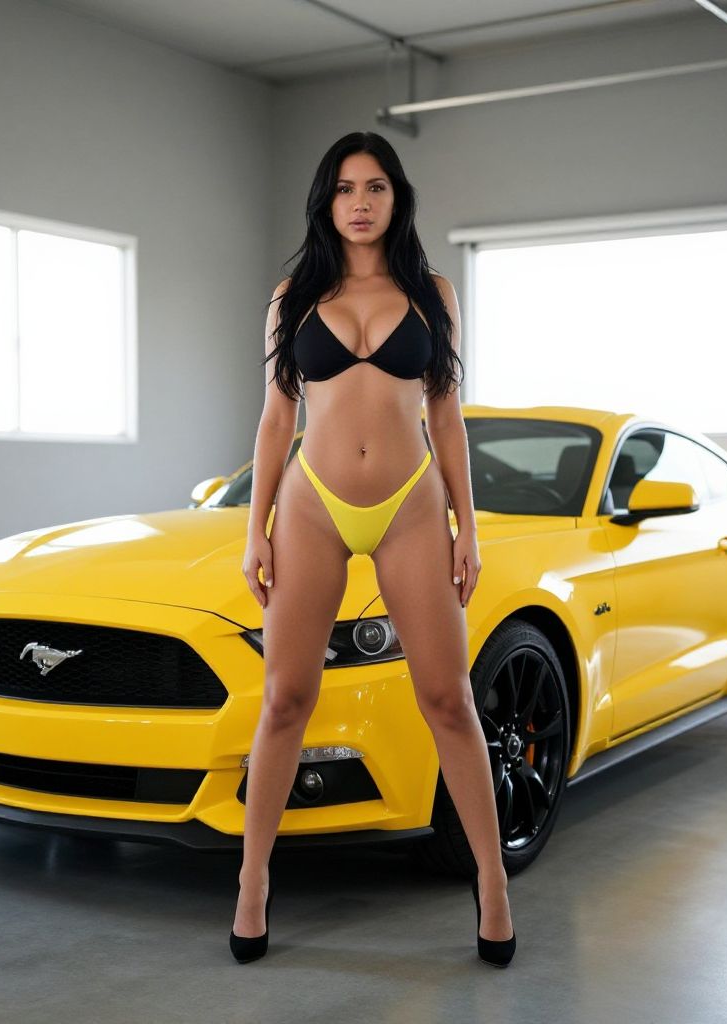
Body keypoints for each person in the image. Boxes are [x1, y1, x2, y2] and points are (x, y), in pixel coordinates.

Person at [231, 130, 515, 967]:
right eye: (346, 188)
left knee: (447, 699)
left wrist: (469, 524)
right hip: (312, 504)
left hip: (411, 507)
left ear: (398, 199)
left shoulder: (432, 292)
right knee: (285, 699)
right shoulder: (293, 296)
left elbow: (446, 414)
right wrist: (258, 526)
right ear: (326, 201)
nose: (361, 201)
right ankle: (253, 881)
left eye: (377, 187)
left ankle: (492, 882)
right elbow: (278, 417)